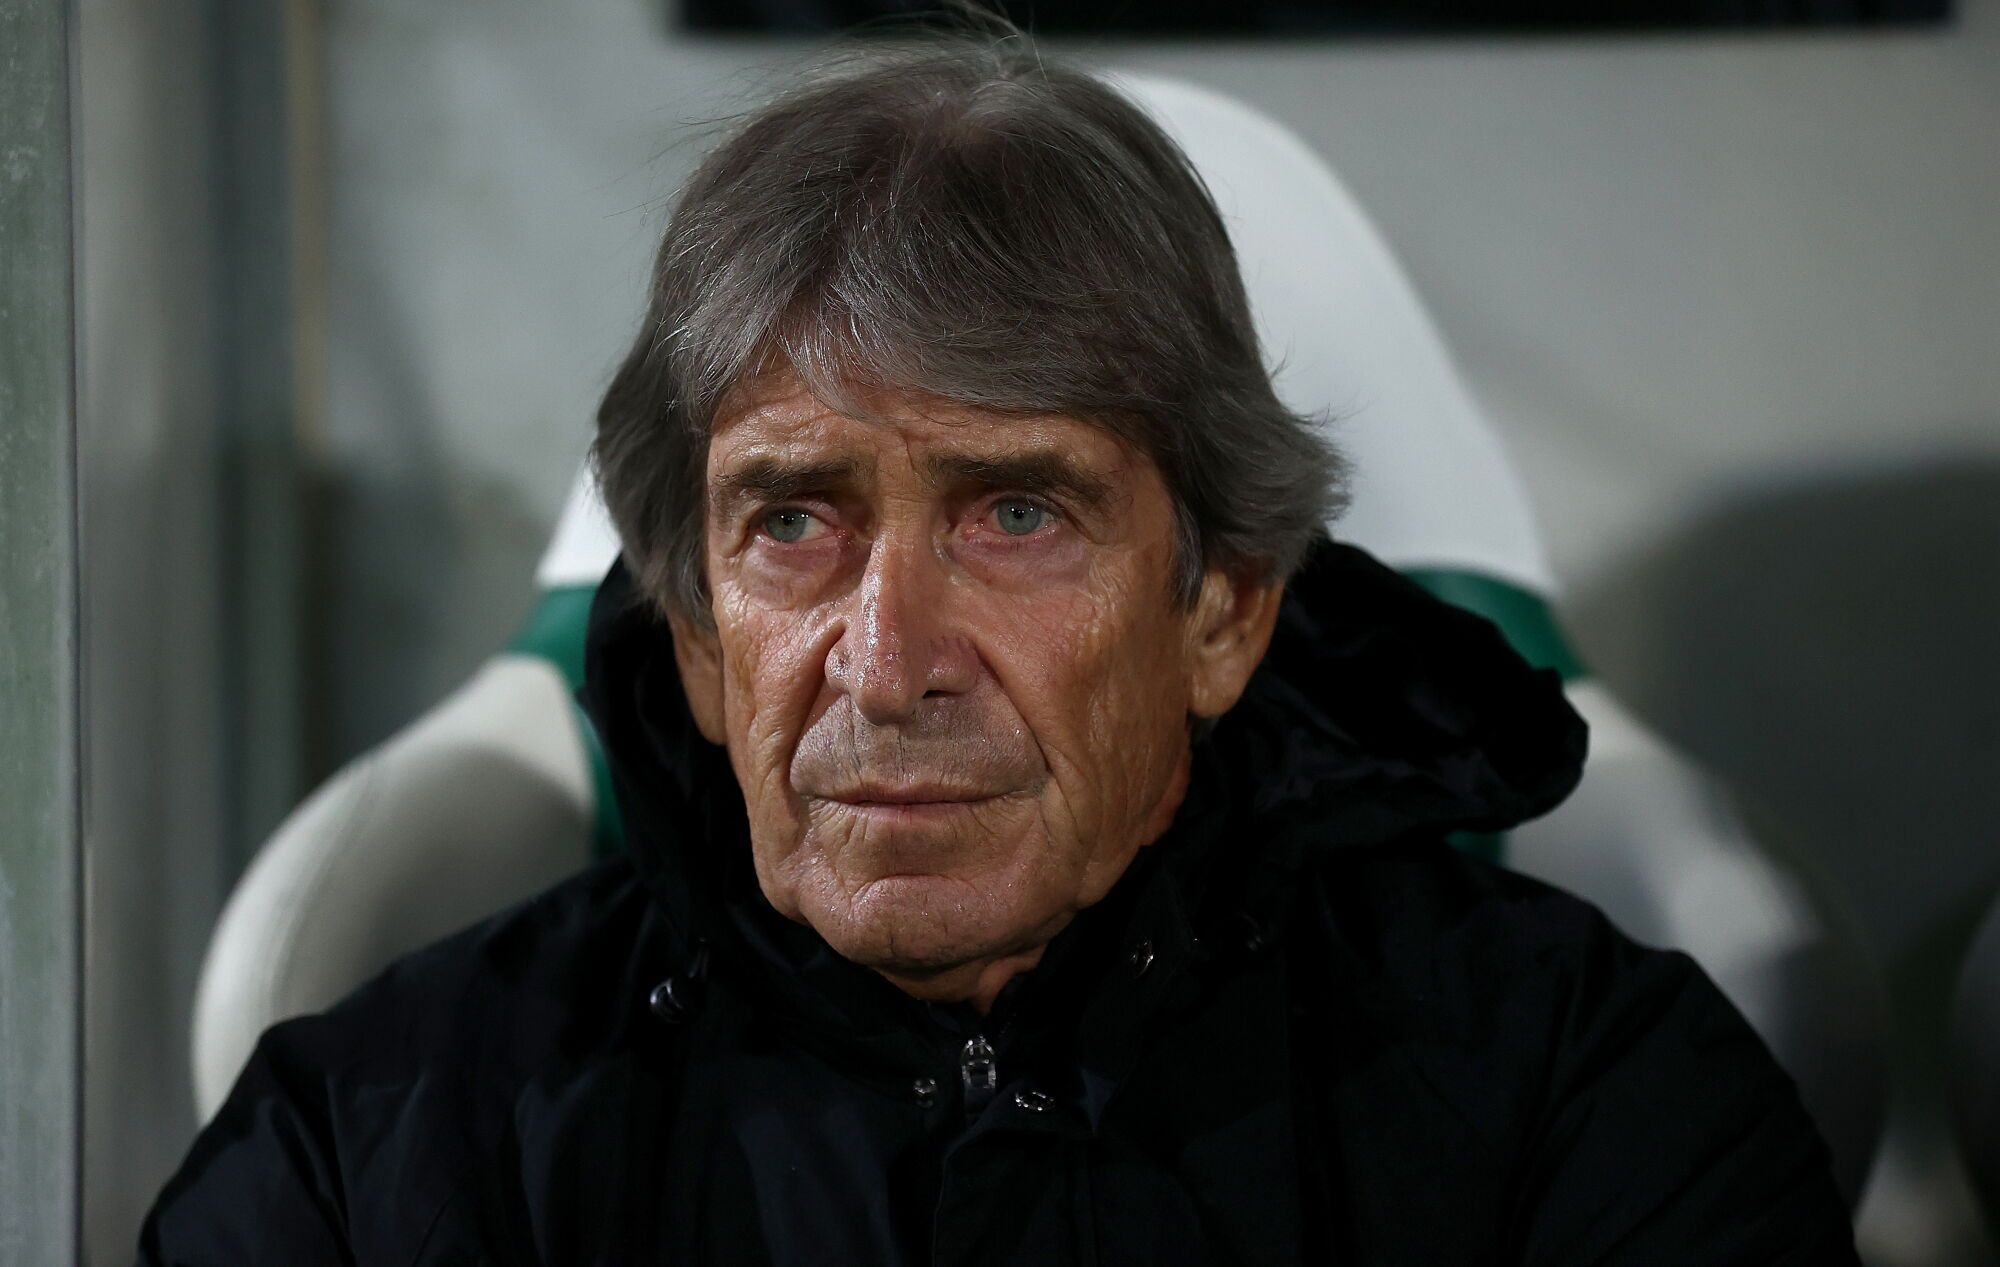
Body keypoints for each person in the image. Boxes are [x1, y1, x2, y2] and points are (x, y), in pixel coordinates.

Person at [138, 15, 1858, 1266]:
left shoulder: (1589, 1104)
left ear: (1224, 609)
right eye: (793, 521)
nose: (889, 665)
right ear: (694, 638)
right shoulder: (376, 1152)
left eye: (1016, 515)